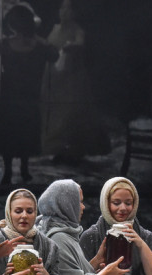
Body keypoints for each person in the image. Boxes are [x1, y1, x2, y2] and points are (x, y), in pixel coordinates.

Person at [0, 4, 58, 183]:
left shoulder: (6, 44)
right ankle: (24, 169)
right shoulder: (39, 47)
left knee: (7, 132)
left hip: (7, 93)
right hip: (28, 95)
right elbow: (55, 55)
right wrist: (39, 40)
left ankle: (8, 172)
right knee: (25, 131)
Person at [40, 0, 110, 163]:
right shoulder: (55, 28)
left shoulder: (77, 30)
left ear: (74, 12)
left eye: (68, 8)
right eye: (62, 8)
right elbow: (48, 45)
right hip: (53, 77)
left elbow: (80, 44)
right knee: (53, 113)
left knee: (70, 114)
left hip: (71, 80)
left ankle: (72, 149)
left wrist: (70, 47)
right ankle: (55, 148)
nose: (64, 12)